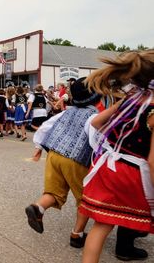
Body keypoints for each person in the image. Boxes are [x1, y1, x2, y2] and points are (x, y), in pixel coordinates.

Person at [79, 50, 154, 263]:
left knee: (102, 224)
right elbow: (152, 160)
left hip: (109, 166)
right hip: (133, 173)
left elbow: (95, 123)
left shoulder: (130, 100)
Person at [25, 77, 102, 249]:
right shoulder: (94, 117)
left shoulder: (66, 112)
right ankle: (77, 234)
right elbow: (96, 140)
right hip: (75, 159)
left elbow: (46, 127)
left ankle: (38, 208)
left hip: (54, 154)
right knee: (85, 199)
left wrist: (38, 146)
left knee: (54, 192)